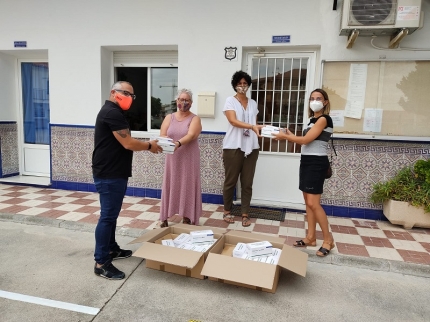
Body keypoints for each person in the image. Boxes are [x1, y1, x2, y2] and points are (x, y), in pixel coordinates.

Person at [92, 81, 162, 280]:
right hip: (109, 173)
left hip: (113, 171)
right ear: (113, 92)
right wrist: (150, 145)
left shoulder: (113, 112)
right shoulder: (111, 112)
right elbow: (128, 143)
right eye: (126, 93)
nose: (130, 98)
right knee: (107, 216)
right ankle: (101, 262)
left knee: (111, 215)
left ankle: (111, 249)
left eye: (132, 95)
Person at [273, 88, 335, 257]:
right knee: (308, 202)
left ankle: (328, 240)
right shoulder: (311, 121)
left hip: (317, 163)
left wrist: (285, 137)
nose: (315, 101)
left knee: (314, 204)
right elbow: (304, 142)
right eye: (312, 98)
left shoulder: (324, 119)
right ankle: (311, 237)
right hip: (307, 161)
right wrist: (290, 134)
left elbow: (306, 140)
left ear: (325, 102)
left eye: (319, 98)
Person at [222, 71, 263, 227]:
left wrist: (262, 131)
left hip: (251, 147)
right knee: (230, 181)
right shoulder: (229, 101)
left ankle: (245, 213)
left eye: (245, 83)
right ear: (234, 85)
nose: (242, 86)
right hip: (233, 146)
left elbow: (256, 123)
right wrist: (252, 126)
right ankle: (227, 211)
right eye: (239, 83)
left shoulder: (253, 103)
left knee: (247, 182)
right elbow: (233, 121)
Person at [159, 89, 203, 227]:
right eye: (181, 99)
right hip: (172, 158)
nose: (184, 102)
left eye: (187, 100)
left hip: (189, 158)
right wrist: (164, 140)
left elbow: (191, 135)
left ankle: (187, 216)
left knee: (188, 185)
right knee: (170, 183)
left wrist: (177, 143)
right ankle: (165, 217)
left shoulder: (195, 118)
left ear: (191, 102)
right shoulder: (169, 117)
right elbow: (162, 133)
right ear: (176, 101)